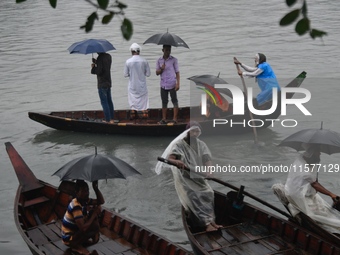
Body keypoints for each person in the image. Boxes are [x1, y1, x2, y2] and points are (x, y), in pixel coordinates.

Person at [156, 121, 222, 232]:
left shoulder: (201, 144)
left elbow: (207, 158)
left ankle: (212, 221)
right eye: (193, 131)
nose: (195, 133)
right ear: (187, 132)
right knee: (193, 196)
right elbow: (171, 158)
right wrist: (177, 162)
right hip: (184, 176)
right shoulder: (179, 144)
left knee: (209, 193)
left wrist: (209, 172)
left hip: (197, 173)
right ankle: (206, 225)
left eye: (197, 131)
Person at [275, 144, 340, 234]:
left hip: (301, 190)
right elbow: (314, 184)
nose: (320, 155)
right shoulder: (303, 169)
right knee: (312, 215)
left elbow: (313, 182)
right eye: (318, 153)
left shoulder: (302, 159)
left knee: (323, 207)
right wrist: (331, 194)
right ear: (312, 154)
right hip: (296, 194)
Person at [61, 180, 104, 255]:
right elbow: (83, 229)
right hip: (69, 238)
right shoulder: (76, 206)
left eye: (87, 190)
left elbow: (101, 201)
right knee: (93, 223)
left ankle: (79, 242)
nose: (86, 193)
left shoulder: (85, 200)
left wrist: (96, 188)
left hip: (76, 232)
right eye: (83, 191)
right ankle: (75, 245)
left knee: (94, 223)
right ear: (77, 193)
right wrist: (94, 214)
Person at [156, 45, 180, 124]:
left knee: (174, 101)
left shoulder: (173, 60)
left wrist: (178, 84)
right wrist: (161, 69)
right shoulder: (159, 60)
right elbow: (157, 73)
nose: (168, 52)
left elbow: (177, 72)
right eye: (166, 50)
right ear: (163, 50)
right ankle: (164, 119)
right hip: (163, 84)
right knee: (164, 101)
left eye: (169, 50)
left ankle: (175, 119)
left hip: (172, 83)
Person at [124, 43, 151, 112]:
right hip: (142, 85)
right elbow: (148, 74)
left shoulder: (128, 62)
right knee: (144, 101)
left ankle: (133, 111)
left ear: (131, 51)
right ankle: (144, 112)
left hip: (132, 85)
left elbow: (125, 74)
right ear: (139, 51)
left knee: (132, 99)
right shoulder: (144, 61)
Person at [91, 52, 115, 123]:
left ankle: (107, 120)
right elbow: (105, 66)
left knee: (104, 102)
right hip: (108, 81)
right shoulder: (109, 56)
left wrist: (93, 68)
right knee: (109, 101)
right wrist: (96, 62)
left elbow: (99, 71)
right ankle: (112, 118)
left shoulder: (100, 58)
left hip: (102, 83)